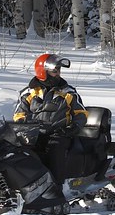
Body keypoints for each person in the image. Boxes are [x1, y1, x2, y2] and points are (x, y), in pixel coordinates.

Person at [13, 53, 89, 182]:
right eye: (55, 71)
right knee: (16, 153)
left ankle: (57, 188)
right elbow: (19, 114)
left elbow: (81, 113)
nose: (58, 73)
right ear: (43, 72)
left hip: (59, 134)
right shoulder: (29, 92)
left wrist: (72, 128)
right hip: (33, 135)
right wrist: (22, 125)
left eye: (59, 70)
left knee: (54, 151)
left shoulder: (68, 92)